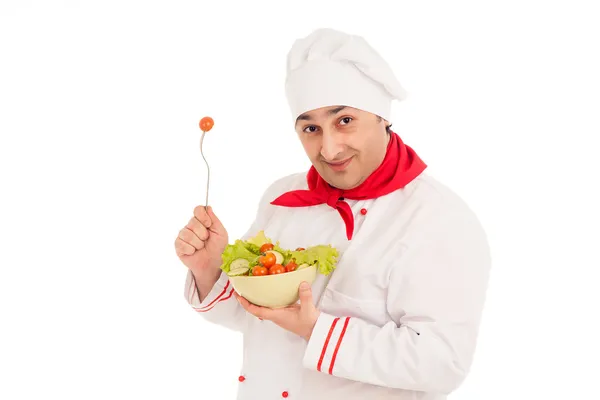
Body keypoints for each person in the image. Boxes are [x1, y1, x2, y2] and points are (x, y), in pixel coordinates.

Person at [174, 28, 491, 400]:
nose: (329, 148)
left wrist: (316, 329)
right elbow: (254, 318)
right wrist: (209, 269)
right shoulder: (283, 197)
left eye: (344, 121)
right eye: (311, 128)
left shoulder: (437, 219)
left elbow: (441, 363)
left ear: (382, 118)